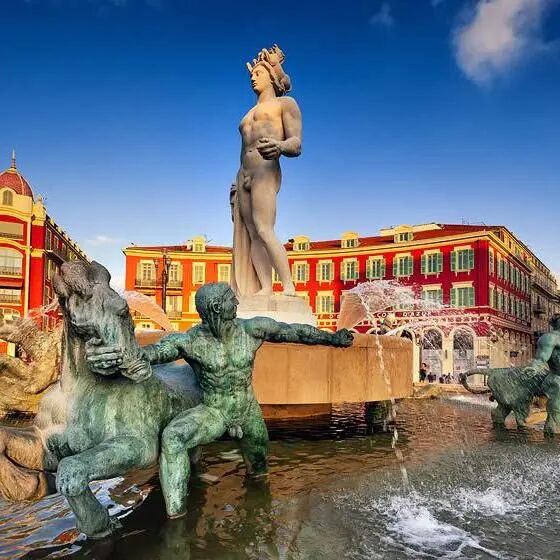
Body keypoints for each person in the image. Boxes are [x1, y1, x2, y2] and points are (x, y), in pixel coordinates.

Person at [86, 282, 353, 518]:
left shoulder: (252, 329)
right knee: (173, 437)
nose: (236, 301)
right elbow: (152, 354)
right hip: (214, 411)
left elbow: (294, 332)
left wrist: (333, 338)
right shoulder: (190, 341)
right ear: (216, 307)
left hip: (247, 411)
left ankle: (259, 510)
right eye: (230, 298)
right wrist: (115, 357)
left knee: (259, 470)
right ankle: (176, 516)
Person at [230, 45, 302, 297]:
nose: (253, 78)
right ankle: (266, 288)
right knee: (252, 234)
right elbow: (243, 149)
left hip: (265, 169)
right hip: (244, 173)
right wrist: (236, 181)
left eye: (258, 73)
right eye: (252, 74)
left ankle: (289, 287)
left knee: (264, 228)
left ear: (271, 77)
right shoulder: (248, 114)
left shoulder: (285, 104)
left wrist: (280, 146)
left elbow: (296, 144)